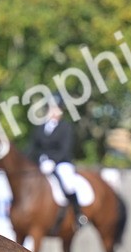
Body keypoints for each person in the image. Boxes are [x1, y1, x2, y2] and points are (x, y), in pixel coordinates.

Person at [28, 96, 87, 227]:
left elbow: (65, 149)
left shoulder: (65, 127)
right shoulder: (40, 127)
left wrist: (53, 162)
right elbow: (32, 148)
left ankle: (78, 214)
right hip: (41, 163)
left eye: (58, 110)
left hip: (61, 162)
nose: (55, 112)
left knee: (68, 183)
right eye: (53, 109)